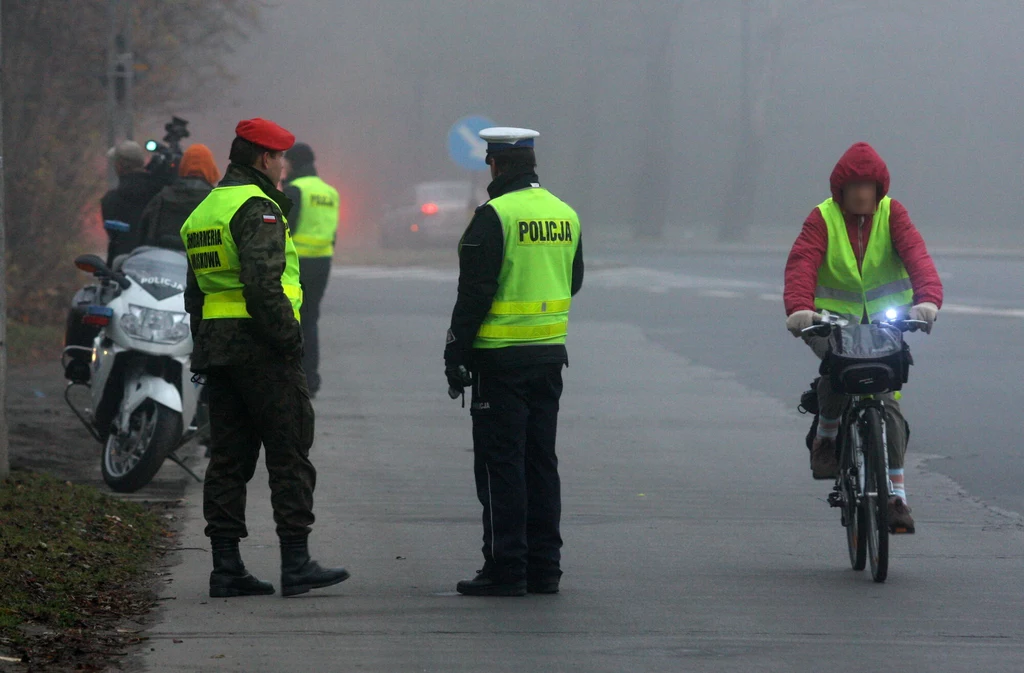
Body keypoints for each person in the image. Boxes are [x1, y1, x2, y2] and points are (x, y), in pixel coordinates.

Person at [180, 118, 349, 598]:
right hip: (262, 348)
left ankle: (226, 567)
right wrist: (289, 340)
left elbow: (194, 291)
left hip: (219, 350)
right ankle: (296, 561)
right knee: (289, 452)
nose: (283, 167)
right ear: (263, 159)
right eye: (279, 159)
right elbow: (263, 284)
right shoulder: (258, 207)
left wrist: (204, 346)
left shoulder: (206, 210)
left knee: (229, 460)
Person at [444, 127, 584, 596]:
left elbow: (474, 294)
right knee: (541, 462)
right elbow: (574, 280)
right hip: (549, 357)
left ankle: (506, 568)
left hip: (500, 361)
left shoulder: (494, 215)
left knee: (501, 466)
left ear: (496, 165)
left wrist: (455, 353)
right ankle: (545, 568)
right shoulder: (565, 213)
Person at [784, 141, 943, 534]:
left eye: (868, 185)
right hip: (829, 320)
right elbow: (803, 262)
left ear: (879, 188)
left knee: (886, 401)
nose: (861, 192)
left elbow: (917, 256)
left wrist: (928, 300)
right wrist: (799, 309)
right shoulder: (823, 218)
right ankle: (826, 436)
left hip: (885, 324)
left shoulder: (893, 215)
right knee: (838, 370)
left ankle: (896, 497)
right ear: (841, 189)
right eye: (853, 185)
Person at [281, 143, 340, 396]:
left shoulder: (295, 190)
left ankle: (291, 377)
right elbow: (333, 232)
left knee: (289, 320)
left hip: (297, 263)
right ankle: (310, 378)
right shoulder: (330, 192)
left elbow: (285, 228)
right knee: (310, 320)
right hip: (323, 261)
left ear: (293, 163)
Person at [137, 144, 220, 251]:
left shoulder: (161, 198)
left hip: (164, 261)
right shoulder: (218, 203)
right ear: (211, 169)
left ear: (182, 166)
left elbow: (143, 235)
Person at [101, 140, 164, 264]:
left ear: (119, 166)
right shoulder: (160, 194)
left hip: (121, 269)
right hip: (157, 266)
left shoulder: (110, 200)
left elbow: (113, 235)